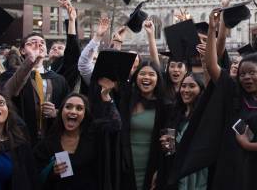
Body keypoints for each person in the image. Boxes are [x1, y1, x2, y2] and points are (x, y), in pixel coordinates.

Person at [175, 8, 257, 190]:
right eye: (242, 74)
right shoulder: (235, 95)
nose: (246, 77)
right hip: (232, 170)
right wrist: (212, 30)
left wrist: (252, 146)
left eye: (252, 73)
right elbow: (212, 66)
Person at [33, 83, 122, 190]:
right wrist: (51, 171)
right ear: (61, 112)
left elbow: (116, 124)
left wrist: (106, 98)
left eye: (79, 108)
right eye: (68, 107)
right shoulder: (49, 142)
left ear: (85, 114)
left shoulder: (93, 135)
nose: (73, 111)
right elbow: (33, 172)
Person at [1, 32, 70, 146]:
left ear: (46, 51)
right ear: (22, 51)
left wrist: (56, 112)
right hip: (21, 140)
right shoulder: (10, 76)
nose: (38, 45)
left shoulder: (59, 79)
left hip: (52, 140)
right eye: (32, 43)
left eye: (42, 43)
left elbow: (68, 107)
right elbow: (8, 93)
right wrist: (31, 60)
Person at [117, 60, 171, 190]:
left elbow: (169, 146)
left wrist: (161, 171)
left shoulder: (166, 107)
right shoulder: (125, 101)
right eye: (142, 73)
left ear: (158, 79)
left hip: (152, 168)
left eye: (151, 74)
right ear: (136, 77)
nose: (146, 77)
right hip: (126, 167)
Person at [156, 72, 208, 190]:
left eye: (191, 86)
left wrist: (177, 143)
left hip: (195, 175)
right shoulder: (175, 113)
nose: (186, 90)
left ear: (201, 89)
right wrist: (168, 144)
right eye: (183, 86)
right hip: (173, 171)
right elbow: (170, 147)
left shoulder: (204, 116)